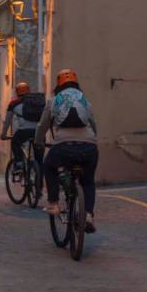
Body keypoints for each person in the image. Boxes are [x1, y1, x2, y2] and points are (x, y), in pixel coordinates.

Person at [35, 69, 99, 233]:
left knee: (49, 166)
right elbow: (93, 123)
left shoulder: (54, 100)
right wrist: (92, 140)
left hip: (63, 146)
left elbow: (42, 126)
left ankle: (54, 203)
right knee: (88, 181)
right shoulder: (85, 100)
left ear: (58, 85)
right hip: (89, 146)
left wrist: (38, 142)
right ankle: (89, 215)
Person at [0, 82, 46, 174]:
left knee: (15, 142)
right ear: (29, 91)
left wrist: (3, 134)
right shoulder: (38, 101)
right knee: (39, 159)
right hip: (38, 132)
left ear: (17, 92)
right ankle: (39, 184)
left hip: (23, 132)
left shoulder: (13, 103)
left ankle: (19, 163)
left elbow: (8, 121)